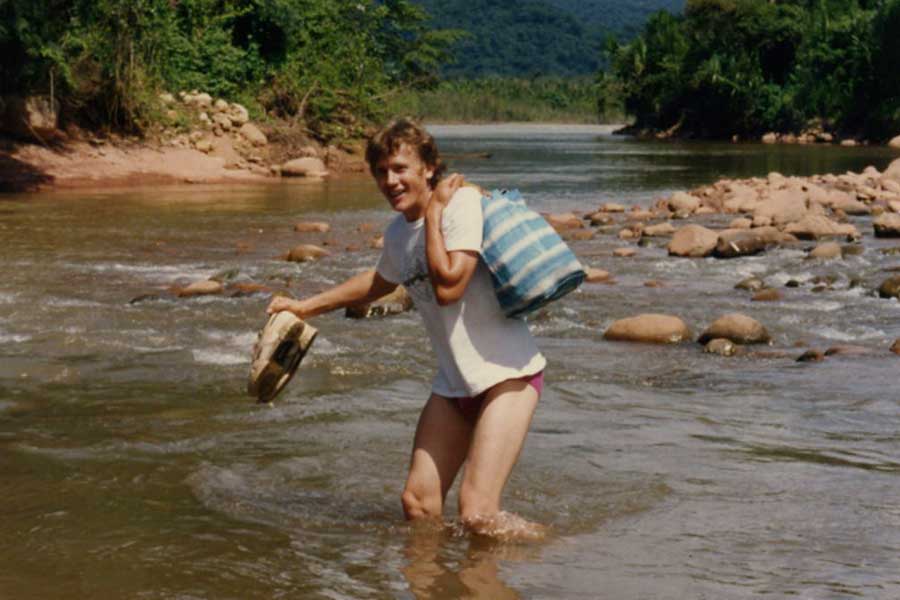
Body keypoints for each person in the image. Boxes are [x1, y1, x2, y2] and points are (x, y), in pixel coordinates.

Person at [266, 118, 546, 538]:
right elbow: (379, 283)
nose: (390, 181)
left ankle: (561, 554)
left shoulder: (461, 207)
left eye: (400, 168)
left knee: (478, 515)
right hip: (455, 385)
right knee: (418, 504)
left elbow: (450, 285)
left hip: (508, 376)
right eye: (381, 172)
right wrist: (304, 307)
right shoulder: (398, 232)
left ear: (429, 168)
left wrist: (433, 214)